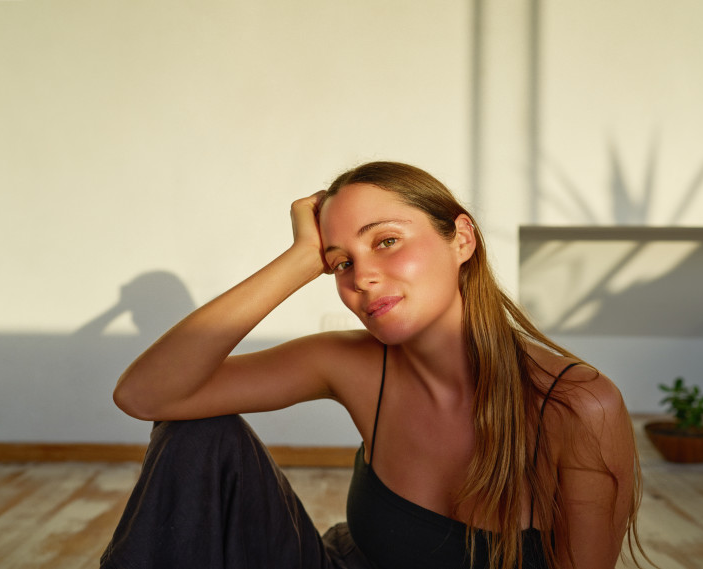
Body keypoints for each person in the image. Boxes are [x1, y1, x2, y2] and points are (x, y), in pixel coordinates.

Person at [101, 162, 649, 569]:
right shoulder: (350, 364)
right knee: (198, 433)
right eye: (340, 262)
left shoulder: (576, 406)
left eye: (386, 241)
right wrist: (298, 260)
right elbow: (146, 396)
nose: (360, 278)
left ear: (461, 238)